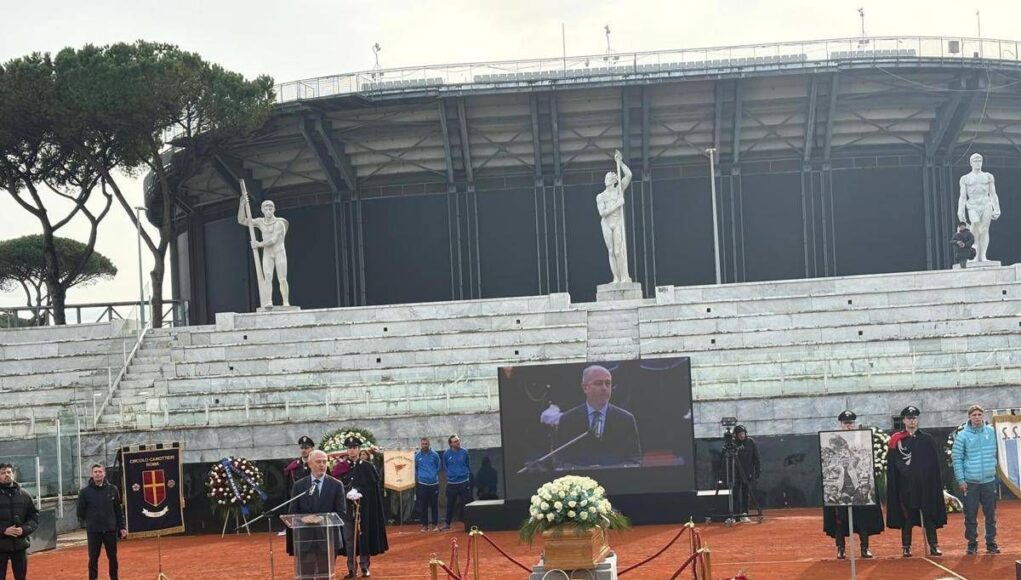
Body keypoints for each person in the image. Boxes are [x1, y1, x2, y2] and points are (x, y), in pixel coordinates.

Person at [547, 365, 641, 469]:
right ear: (585, 388)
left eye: (608, 383)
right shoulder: (568, 419)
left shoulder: (626, 419)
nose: (604, 388)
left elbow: (635, 460)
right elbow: (559, 461)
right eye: (598, 383)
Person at [822, 411, 884, 559]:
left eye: (850, 423)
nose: (848, 426)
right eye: (845, 423)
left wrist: (850, 448)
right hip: (841, 488)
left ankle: (864, 548)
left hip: (856, 488)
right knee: (840, 519)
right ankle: (841, 548)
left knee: (863, 518)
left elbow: (860, 460)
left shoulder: (856, 444)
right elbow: (828, 466)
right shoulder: (834, 449)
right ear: (840, 424)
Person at [886, 406, 947, 557]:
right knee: (907, 517)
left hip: (925, 486)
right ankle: (906, 546)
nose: (911, 421)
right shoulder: (897, 440)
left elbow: (933, 464)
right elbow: (895, 463)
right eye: (908, 418)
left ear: (917, 420)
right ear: (904, 420)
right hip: (906, 487)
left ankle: (933, 545)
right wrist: (907, 473)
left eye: (914, 418)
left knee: (928, 516)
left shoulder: (927, 439)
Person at [287, 450, 347, 577]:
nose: (322, 465)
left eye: (324, 462)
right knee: (306, 574)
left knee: (325, 575)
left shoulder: (336, 485)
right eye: (318, 462)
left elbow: (341, 513)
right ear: (309, 464)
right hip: (305, 539)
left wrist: (321, 519)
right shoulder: (299, 486)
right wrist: (304, 518)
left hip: (328, 539)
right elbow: (292, 513)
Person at [951, 405, 1000, 555]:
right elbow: (956, 458)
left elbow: (1000, 453)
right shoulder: (962, 436)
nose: (977, 417)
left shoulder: (991, 432)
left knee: (990, 515)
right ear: (969, 417)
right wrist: (961, 480)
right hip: (970, 482)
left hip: (989, 481)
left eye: (979, 414)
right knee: (970, 515)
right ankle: (972, 544)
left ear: (983, 416)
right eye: (974, 415)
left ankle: (991, 543)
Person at [237, 189, 290, 308]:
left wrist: (258, 244)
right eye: (266, 209)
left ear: (274, 209)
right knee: (268, 277)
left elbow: (274, 240)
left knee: (282, 278)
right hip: (268, 254)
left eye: (270, 208)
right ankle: (269, 301)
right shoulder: (260, 222)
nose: (268, 211)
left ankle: (285, 301)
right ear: (262, 210)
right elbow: (242, 221)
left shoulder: (279, 223)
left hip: (279, 252)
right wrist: (242, 205)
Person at [341, 446, 388, 578]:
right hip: (347, 509)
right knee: (349, 540)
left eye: (355, 448)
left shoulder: (367, 466)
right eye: (349, 448)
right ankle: (351, 568)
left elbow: (373, 489)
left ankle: (364, 566)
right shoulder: (342, 466)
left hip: (363, 509)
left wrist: (360, 493)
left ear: (359, 449)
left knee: (363, 538)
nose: (352, 451)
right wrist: (347, 493)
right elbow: (338, 487)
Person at [77, 464, 127, 580]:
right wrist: (88, 523)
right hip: (94, 531)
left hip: (110, 530)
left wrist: (122, 527)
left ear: (104, 473)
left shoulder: (113, 489)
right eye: (95, 472)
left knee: (113, 557)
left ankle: (114, 578)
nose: (98, 474)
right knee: (93, 558)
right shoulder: (84, 492)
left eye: (100, 471)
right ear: (91, 474)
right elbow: (80, 511)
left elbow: (118, 511)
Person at [596, 150, 633, 283]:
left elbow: (629, 175)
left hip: (617, 222)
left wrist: (620, 162)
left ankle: (624, 276)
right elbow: (602, 213)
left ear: (614, 180)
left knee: (618, 251)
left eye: (609, 178)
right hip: (606, 223)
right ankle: (616, 277)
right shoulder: (601, 196)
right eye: (606, 178)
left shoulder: (619, 190)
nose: (607, 179)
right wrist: (617, 204)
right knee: (611, 251)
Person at [957, 152, 1001, 262]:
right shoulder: (965, 178)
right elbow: (962, 197)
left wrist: (997, 208)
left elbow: (993, 194)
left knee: (984, 230)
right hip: (972, 205)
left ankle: (983, 256)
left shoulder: (988, 176)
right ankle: (975, 255)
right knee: (975, 225)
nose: (978, 163)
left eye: (979, 161)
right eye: (975, 161)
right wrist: (960, 211)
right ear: (971, 163)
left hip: (986, 203)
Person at [0, 463, 38, 580]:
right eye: (2, 473)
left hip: (20, 545)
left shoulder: (25, 495)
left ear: (13, 474)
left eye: (9, 472)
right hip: (0, 546)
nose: (6, 475)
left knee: (21, 577)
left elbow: (34, 517)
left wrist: (24, 529)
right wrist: (3, 531)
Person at [442, 435, 472, 531]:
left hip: (464, 482)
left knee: (466, 504)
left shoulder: (464, 452)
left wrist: (465, 474)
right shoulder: (446, 454)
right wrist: (451, 475)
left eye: (458, 441)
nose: (457, 443)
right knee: (450, 504)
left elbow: (468, 464)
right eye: (455, 442)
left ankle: (469, 524)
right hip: (452, 483)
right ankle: (447, 523)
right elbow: (445, 466)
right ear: (450, 444)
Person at [732, 425, 760, 523]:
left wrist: (757, 471)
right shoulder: (732, 443)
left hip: (748, 473)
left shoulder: (751, 442)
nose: (742, 436)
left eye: (743, 434)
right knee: (735, 495)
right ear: (735, 435)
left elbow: (756, 458)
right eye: (739, 434)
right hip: (735, 474)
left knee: (745, 494)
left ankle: (744, 514)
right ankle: (735, 515)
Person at [414, 438, 441, 532]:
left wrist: (433, 476)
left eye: (426, 444)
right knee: (423, 506)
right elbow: (416, 468)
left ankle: (435, 525)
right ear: (420, 444)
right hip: (422, 484)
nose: (424, 445)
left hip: (434, 484)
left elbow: (438, 466)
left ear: (429, 444)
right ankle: (424, 526)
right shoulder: (417, 456)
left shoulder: (435, 455)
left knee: (434, 505)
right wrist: (421, 476)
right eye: (423, 444)